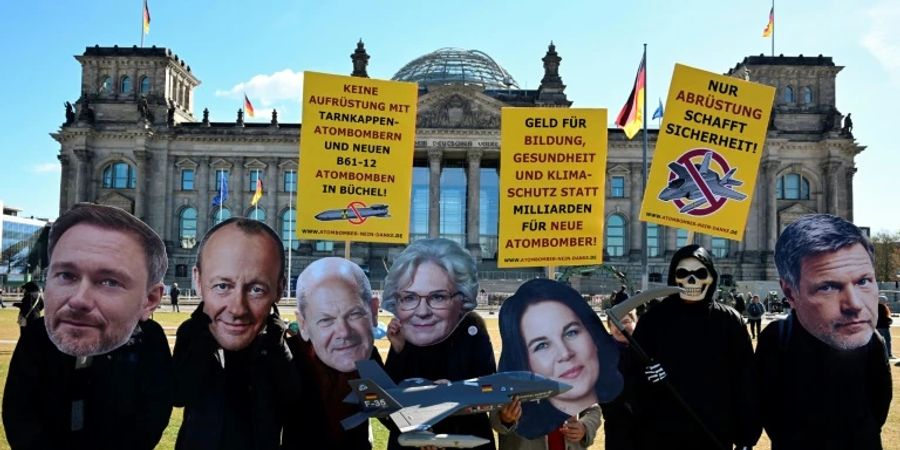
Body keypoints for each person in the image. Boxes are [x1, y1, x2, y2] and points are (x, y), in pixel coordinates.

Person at [3, 203, 173, 450]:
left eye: (109, 281)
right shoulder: (37, 335)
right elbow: (18, 412)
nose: (79, 299)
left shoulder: (149, 338)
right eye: (66, 275)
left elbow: (154, 411)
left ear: (150, 299)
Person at [757, 214, 891, 450]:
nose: (854, 304)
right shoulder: (777, 339)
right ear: (789, 292)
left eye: (863, 282)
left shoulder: (871, 339)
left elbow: (880, 400)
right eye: (828, 286)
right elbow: (766, 402)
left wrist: (861, 430)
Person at [173, 217, 299, 450]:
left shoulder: (277, 341)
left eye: (256, 289)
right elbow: (180, 394)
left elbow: (291, 402)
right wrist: (204, 332)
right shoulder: (192, 332)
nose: (238, 309)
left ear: (279, 290)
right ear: (197, 281)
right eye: (222, 286)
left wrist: (275, 341)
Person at [629, 244, 761, 450]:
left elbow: (745, 381)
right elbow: (630, 375)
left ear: (712, 277)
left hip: (714, 433)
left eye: (700, 274)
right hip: (661, 435)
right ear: (674, 277)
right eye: (683, 274)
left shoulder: (729, 321)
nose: (692, 281)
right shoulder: (653, 320)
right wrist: (646, 375)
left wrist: (746, 438)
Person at [382, 238, 495, 450]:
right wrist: (399, 349)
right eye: (409, 297)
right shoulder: (404, 331)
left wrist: (451, 390)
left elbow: (488, 386)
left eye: (438, 297)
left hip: (465, 439)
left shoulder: (472, 327)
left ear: (462, 297)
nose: (423, 311)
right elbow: (387, 402)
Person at [492, 278, 622, 446]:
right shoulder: (512, 376)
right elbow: (495, 415)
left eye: (570, 333)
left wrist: (585, 427)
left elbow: (592, 408)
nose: (563, 353)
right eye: (542, 345)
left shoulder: (574, 369)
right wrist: (505, 418)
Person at [284, 257, 382, 450]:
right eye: (326, 320)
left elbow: (382, 407)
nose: (344, 332)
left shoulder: (366, 356)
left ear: (373, 312)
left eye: (354, 314)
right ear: (303, 324)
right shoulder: (286, 359)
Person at [603, 311, 638, 450]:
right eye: (614, 324)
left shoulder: (648, 349)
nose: (620, 327)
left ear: (635, 323)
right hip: (618, 427)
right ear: (610, 328)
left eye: (626, 322)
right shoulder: (603, 355)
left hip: (648, 426)